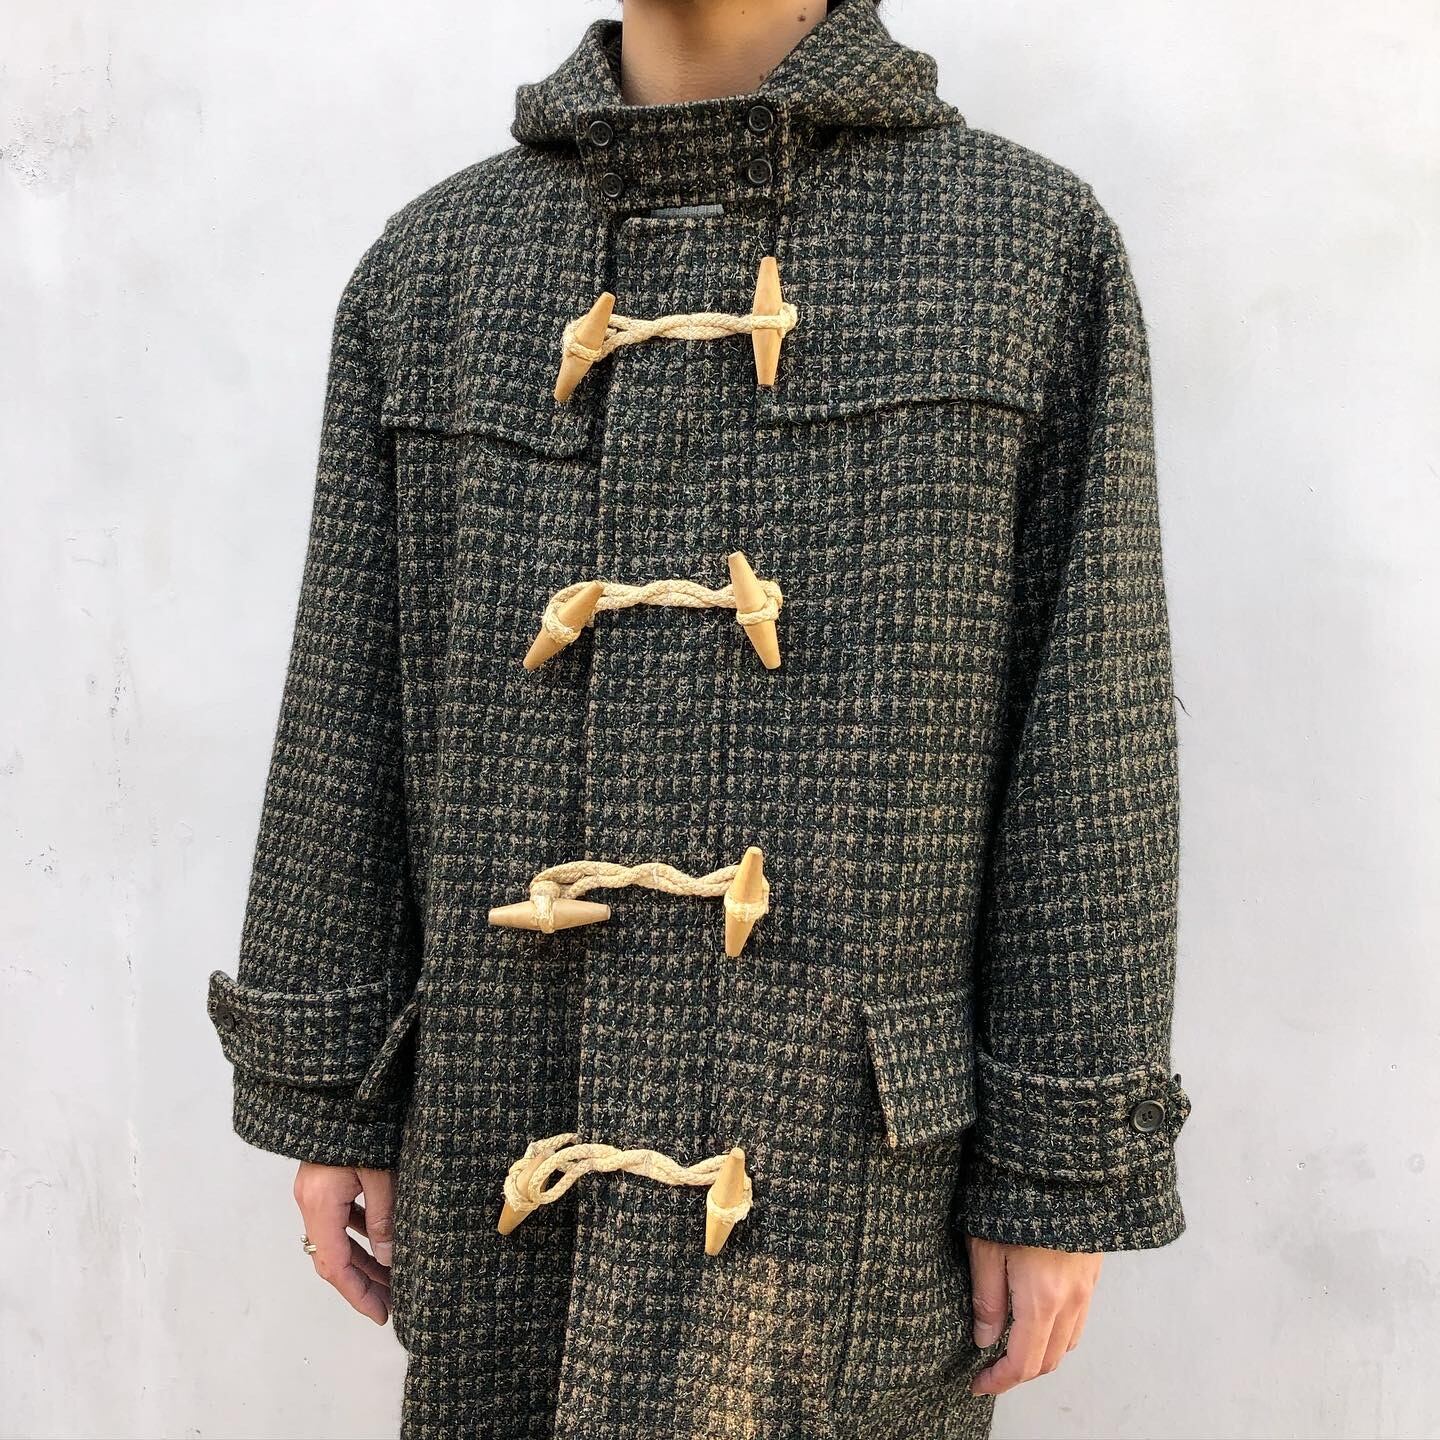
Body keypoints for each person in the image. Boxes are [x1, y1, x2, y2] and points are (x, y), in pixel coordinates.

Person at [205, 1, 1193, 1435]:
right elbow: (347, 696)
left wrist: (1059, 1161)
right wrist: (332, 1086)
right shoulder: (437, 263)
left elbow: (1091, 736)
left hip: (850, 1157)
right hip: (503, 1101)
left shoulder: (1025, 248)